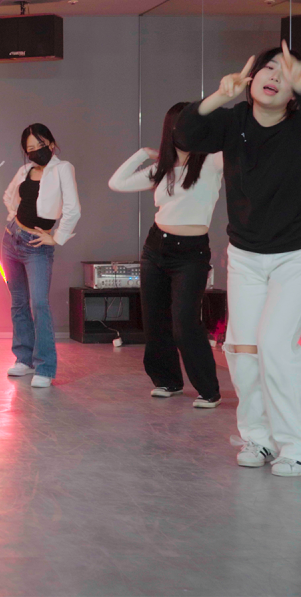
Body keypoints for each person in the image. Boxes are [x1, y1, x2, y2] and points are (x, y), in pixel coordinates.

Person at [178, 42, 301, 477]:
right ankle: (258, 438)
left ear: (294, 91)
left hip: (299, 253)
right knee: (242, 348)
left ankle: (298, 447)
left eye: (286, 73)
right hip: (246, 254)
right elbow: (185, 135)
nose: (275, 76)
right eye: (268, 68)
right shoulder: (233, 122)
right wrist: (219, 95)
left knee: (276, 345)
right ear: (252, 77)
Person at [109, 103, 224, 408]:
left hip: (191, 253)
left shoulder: (212, 161)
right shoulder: (161, 168)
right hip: (156, 247)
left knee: (185, 322)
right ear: (171, 129)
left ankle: (208, 390)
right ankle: (168, 381)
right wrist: (144, 154)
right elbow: (116, 183)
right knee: (155, 320)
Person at [1, 123, 80, 388]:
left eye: (40, 145)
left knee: (39, 304)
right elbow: (10, 197)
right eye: (30, 148)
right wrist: (13, 219)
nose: (36, 151)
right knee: (18, 302)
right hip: (11, 239)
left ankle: (45, 367)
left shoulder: (63, 168)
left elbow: (73, 208)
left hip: (37, 246)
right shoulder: (25, 170)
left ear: (51, 143)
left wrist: (56, 237)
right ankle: (24, 359)